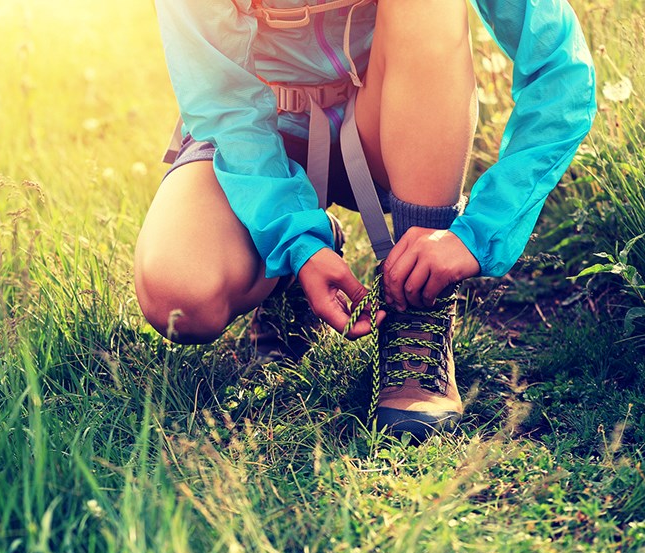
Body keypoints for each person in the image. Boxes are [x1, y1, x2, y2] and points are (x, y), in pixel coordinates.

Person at [133, 0, 596, 439]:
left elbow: (562, 71)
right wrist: (297, 240)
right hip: (253, 141)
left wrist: (479, 231)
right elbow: (223, 103)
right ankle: (291, 269)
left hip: (391, 124)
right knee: (179, 297)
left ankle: (419, 308)